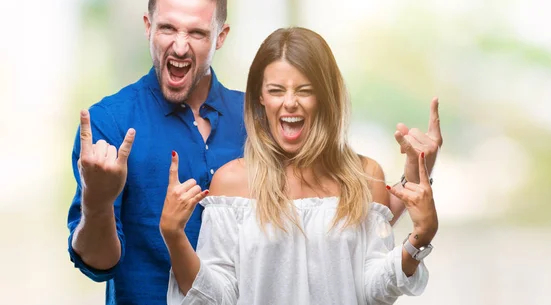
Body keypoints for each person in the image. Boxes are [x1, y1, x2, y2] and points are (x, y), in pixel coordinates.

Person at [67, 0, 442, 304]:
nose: (180, 45)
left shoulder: (266, 118)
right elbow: (98, 263)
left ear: (220, 36)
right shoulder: (108, 124)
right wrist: (98, 201)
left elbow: (332, 223)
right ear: (148, 26)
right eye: (168, 28)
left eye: (197, 32)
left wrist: (417, 176)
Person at [162, 27, 439, 305]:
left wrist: (418, 240)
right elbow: (218, 297)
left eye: (305, 91)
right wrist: (174, 236)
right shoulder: (231, 182)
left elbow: (374, 290)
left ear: (325, 96)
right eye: (276, 90)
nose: (290, 103)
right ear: (261, 96)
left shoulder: (365, 176)